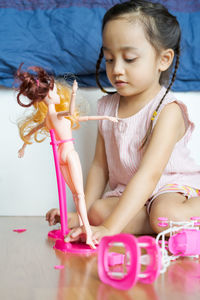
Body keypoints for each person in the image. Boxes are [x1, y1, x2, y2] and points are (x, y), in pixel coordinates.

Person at [47, 0, 200, 245]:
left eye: (129, 59)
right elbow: (100, 167)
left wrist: (109, 228)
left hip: (169, 191)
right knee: (97, 212)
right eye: (109, 59)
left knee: (164, 214)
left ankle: (175, 221)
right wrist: (82, 215)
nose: (116, 69)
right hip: (133, 197)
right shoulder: (106, 107)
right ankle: (160, 228)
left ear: (163, 59)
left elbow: (149, 175)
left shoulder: (168, 111)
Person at [16, 64, 117, 248]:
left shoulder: (49, 117)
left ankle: (81, 227)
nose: (56, 94)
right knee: (80, 195)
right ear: (47, 95)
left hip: (60, 155)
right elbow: (71, 113)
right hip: (69, 153)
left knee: (76, 194)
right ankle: (87, 231)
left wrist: (24, 146)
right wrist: (74, 94)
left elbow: (33, 130)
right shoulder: (58, 115)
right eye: (53, 92)